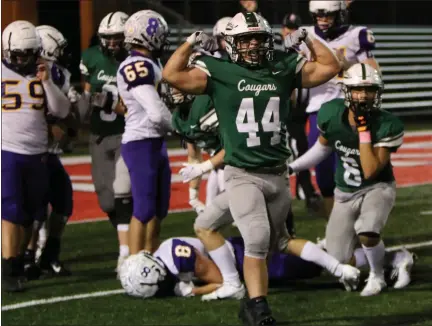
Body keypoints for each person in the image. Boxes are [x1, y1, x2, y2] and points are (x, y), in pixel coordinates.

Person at [163, 11, 346, 325]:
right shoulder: (219, 70)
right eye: (244, 39)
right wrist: (191, 43)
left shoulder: (282, 65)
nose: (251, 45)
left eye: (257, 38)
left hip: (277, 172)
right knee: (257, 238)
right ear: (233, 42)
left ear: (267, 40)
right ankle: (259, 306)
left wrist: (307, 37)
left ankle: (250, 303)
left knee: (276, 243)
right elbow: (171, 75)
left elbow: (330, 66)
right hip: (242, 172)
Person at [288, 63, 414, 296]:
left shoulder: (387, 124)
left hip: (377, 187)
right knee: (338, 259)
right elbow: (322, 149)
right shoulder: (331, 113)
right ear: (346, 91)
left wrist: (364, 129)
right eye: (357, 89)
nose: (363, 95)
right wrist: (292, 167)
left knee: (366, 231)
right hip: (344, 193)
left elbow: (370, 171)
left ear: (378, 93)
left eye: (369, 90)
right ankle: (396, 258)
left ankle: (377, 277)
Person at [2, 20, 70, 292]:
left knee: (30, 214)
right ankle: (8, 267)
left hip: (38, 153)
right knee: (9, 210)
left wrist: (47, 83)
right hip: (6, 150)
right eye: (16, 54)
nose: (21, 60)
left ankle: (18, 261)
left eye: (26, 54)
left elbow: (62, 111)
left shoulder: (48, 71)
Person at [303, 0, 381, 219]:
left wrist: (348, 67)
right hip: (317, 112)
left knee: (352, 172)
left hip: (349, 110)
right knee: (324, 177)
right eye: (318, 16)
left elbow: (374, 74)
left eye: (327, 15)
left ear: (340, 14)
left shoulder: (357, 35)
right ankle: (334, 231)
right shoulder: (305, 36)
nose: (323, 20)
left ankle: (361, 229)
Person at [78, 11, 132, 274]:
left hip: (126, 133)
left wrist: (110, 102)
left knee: (123, 192)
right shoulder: (90, 58)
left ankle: (127, 250)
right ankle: (126, 237)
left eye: (117, 38)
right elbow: (87, 96)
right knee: (106, 200)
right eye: (108, 38)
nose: (112, 43)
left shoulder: (135, 61)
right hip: (99, 135)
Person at [23, 25, 78, 278]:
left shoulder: (60, 73)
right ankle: (26, 257)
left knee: (62, 200)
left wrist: (66, 128)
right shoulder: (27, 72)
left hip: (49, 152)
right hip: (31, 150)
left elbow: (65, 112)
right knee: (34, 206)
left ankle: (48, 255)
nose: (62, 52)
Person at [116, 10, 172, 255]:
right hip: (141, 141)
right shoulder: (136, 65)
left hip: (154, 140)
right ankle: (134, 264)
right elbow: (156, 112)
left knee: (158, 209)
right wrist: (181, 128)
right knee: (144, 209)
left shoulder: (151, 63)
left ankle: (150, 258)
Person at [282, 12, 322, 215]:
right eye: (288, 28)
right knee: (300, 149)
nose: (290, 32)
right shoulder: (278, 52)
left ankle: (303, 190)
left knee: (305, 148)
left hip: (305, 108)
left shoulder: (304, 49)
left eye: (294, 28)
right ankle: (306, 192)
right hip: (286, 112)